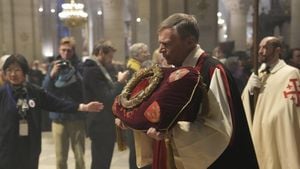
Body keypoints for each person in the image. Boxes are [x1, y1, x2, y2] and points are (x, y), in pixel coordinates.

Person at [116, 13, 258, 169]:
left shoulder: (212, 71)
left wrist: (171, 134)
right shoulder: (169, 72)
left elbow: (220, 132)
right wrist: (132, 120)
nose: (161, 50)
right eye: (160, 44)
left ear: (190, 42)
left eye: (167, 44)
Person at [0, 54, 103, 169]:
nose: (13, 74)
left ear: (24, 71)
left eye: (17, 70)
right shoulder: (2, 93)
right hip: (7, 147)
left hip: (29, 146)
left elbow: (56, 103)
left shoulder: (34, 92)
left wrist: (83, 107)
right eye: (9, 70)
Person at [242, 36, 300, 169]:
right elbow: (246, 105)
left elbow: (292, 108)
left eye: (265, 48)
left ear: (277, 50)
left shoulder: (291, 73)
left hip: (280, 131)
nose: (260, 51)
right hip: (260, 129)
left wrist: (272, 118)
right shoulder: (259, 73)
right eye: (259, 48)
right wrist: (249, 91)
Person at [81, 40, 129, 169]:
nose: (111, 60)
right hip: (99, 123)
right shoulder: (92, 70)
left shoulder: (100, 69)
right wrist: (120, 82)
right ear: (101, 52)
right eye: (110, 56)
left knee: (103, 161)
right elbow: (107, 98)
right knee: (100, 162)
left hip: (104, 123)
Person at [42, 37, 86, 169]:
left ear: (73, 51)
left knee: (79, 156)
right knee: (60, 157)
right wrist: (52, 75)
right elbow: (44, 90)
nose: (66, 53)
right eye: (63, 50)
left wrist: (75, 73)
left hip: (76, 116)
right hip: (58, 117)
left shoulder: (79, 66)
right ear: (59, 50)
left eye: (69, 50)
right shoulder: (53, 66)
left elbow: (84, 89)